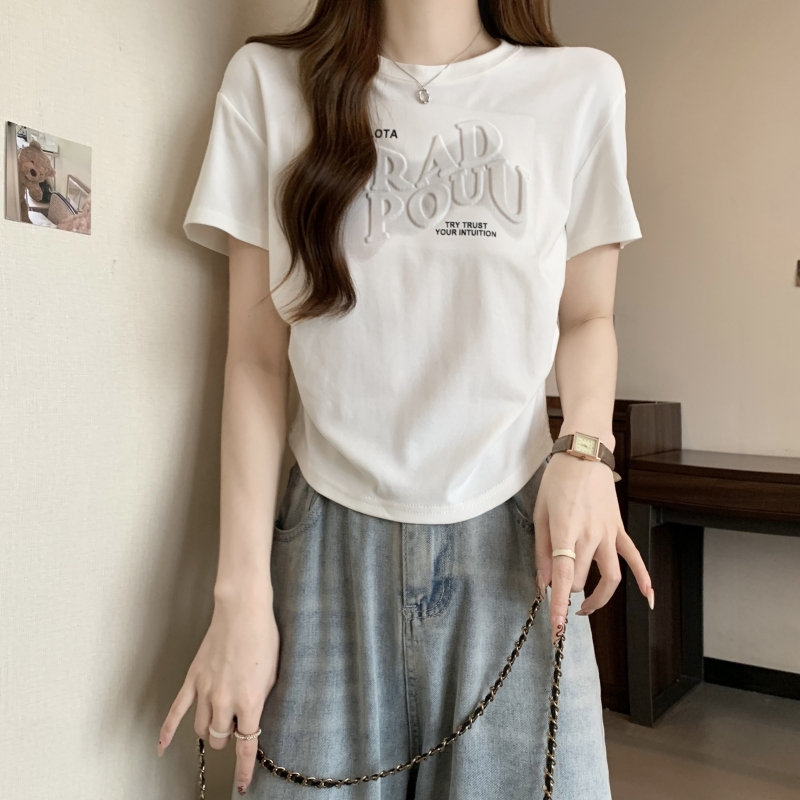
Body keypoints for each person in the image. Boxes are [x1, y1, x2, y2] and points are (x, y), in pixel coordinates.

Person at [158, 0, 655, 797]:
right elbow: (255, 360)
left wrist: (587, 448)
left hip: (514, 537)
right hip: (325, 543)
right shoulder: (268, 84)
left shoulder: (581, 87)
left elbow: (588, 316)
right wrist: (240, 597)